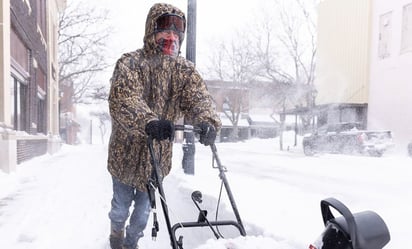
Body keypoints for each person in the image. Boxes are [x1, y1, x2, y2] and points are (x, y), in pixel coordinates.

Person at [106, 3, 221, 249]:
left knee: (143, 214)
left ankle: (131, 242)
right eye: (164, 31)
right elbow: (124, 99)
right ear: (151, 31)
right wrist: (149, 122)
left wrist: (207, 121)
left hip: (156, 161)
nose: (171, 37)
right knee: (120, 207)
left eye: (176, 33)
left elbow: (198, 97)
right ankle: (115, 234)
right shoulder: (130, 64)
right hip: (124, 156)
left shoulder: (184, 71)